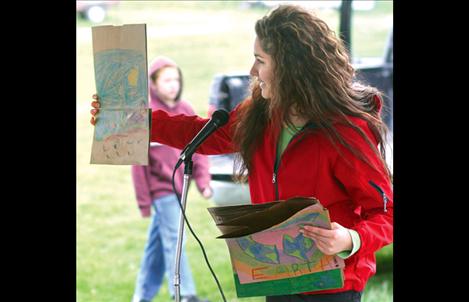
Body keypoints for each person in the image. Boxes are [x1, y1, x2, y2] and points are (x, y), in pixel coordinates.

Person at [91, 5, 393, 302]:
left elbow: (386, 212)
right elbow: (201, 134)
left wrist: (350, 239)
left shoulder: (346, 131)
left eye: (260, 61)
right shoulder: (261, 114)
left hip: (332, 288)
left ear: (291, 68)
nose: (252, 71)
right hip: (277, 279)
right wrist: (135, 119)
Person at [96, 55, 212, 302]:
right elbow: (138, 165)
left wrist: (203, 182)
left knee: (157, 247)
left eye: (176, 79)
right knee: (175, 238)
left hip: (182, 188)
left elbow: (200, 149)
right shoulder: (144, 114)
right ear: (153, 84)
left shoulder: (185, 110)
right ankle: (185, 295)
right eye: (167, 80)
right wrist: (144, 202)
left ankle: (142, 296)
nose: (173, 85)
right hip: (161, 190)